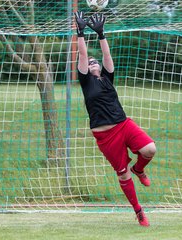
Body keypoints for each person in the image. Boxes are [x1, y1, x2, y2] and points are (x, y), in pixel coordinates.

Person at [74, 11, 156, 227]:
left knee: (149, 149)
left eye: (95, 62)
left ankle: (139, 169)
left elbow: (107, 57)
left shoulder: (107, 78)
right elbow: (82, 57)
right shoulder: (86, 82)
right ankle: (139, 211)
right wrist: (80, 32)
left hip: (123, 124)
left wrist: (101, 35)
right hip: (105, 136)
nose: (92, 62)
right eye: (89, 63)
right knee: (122, 174)